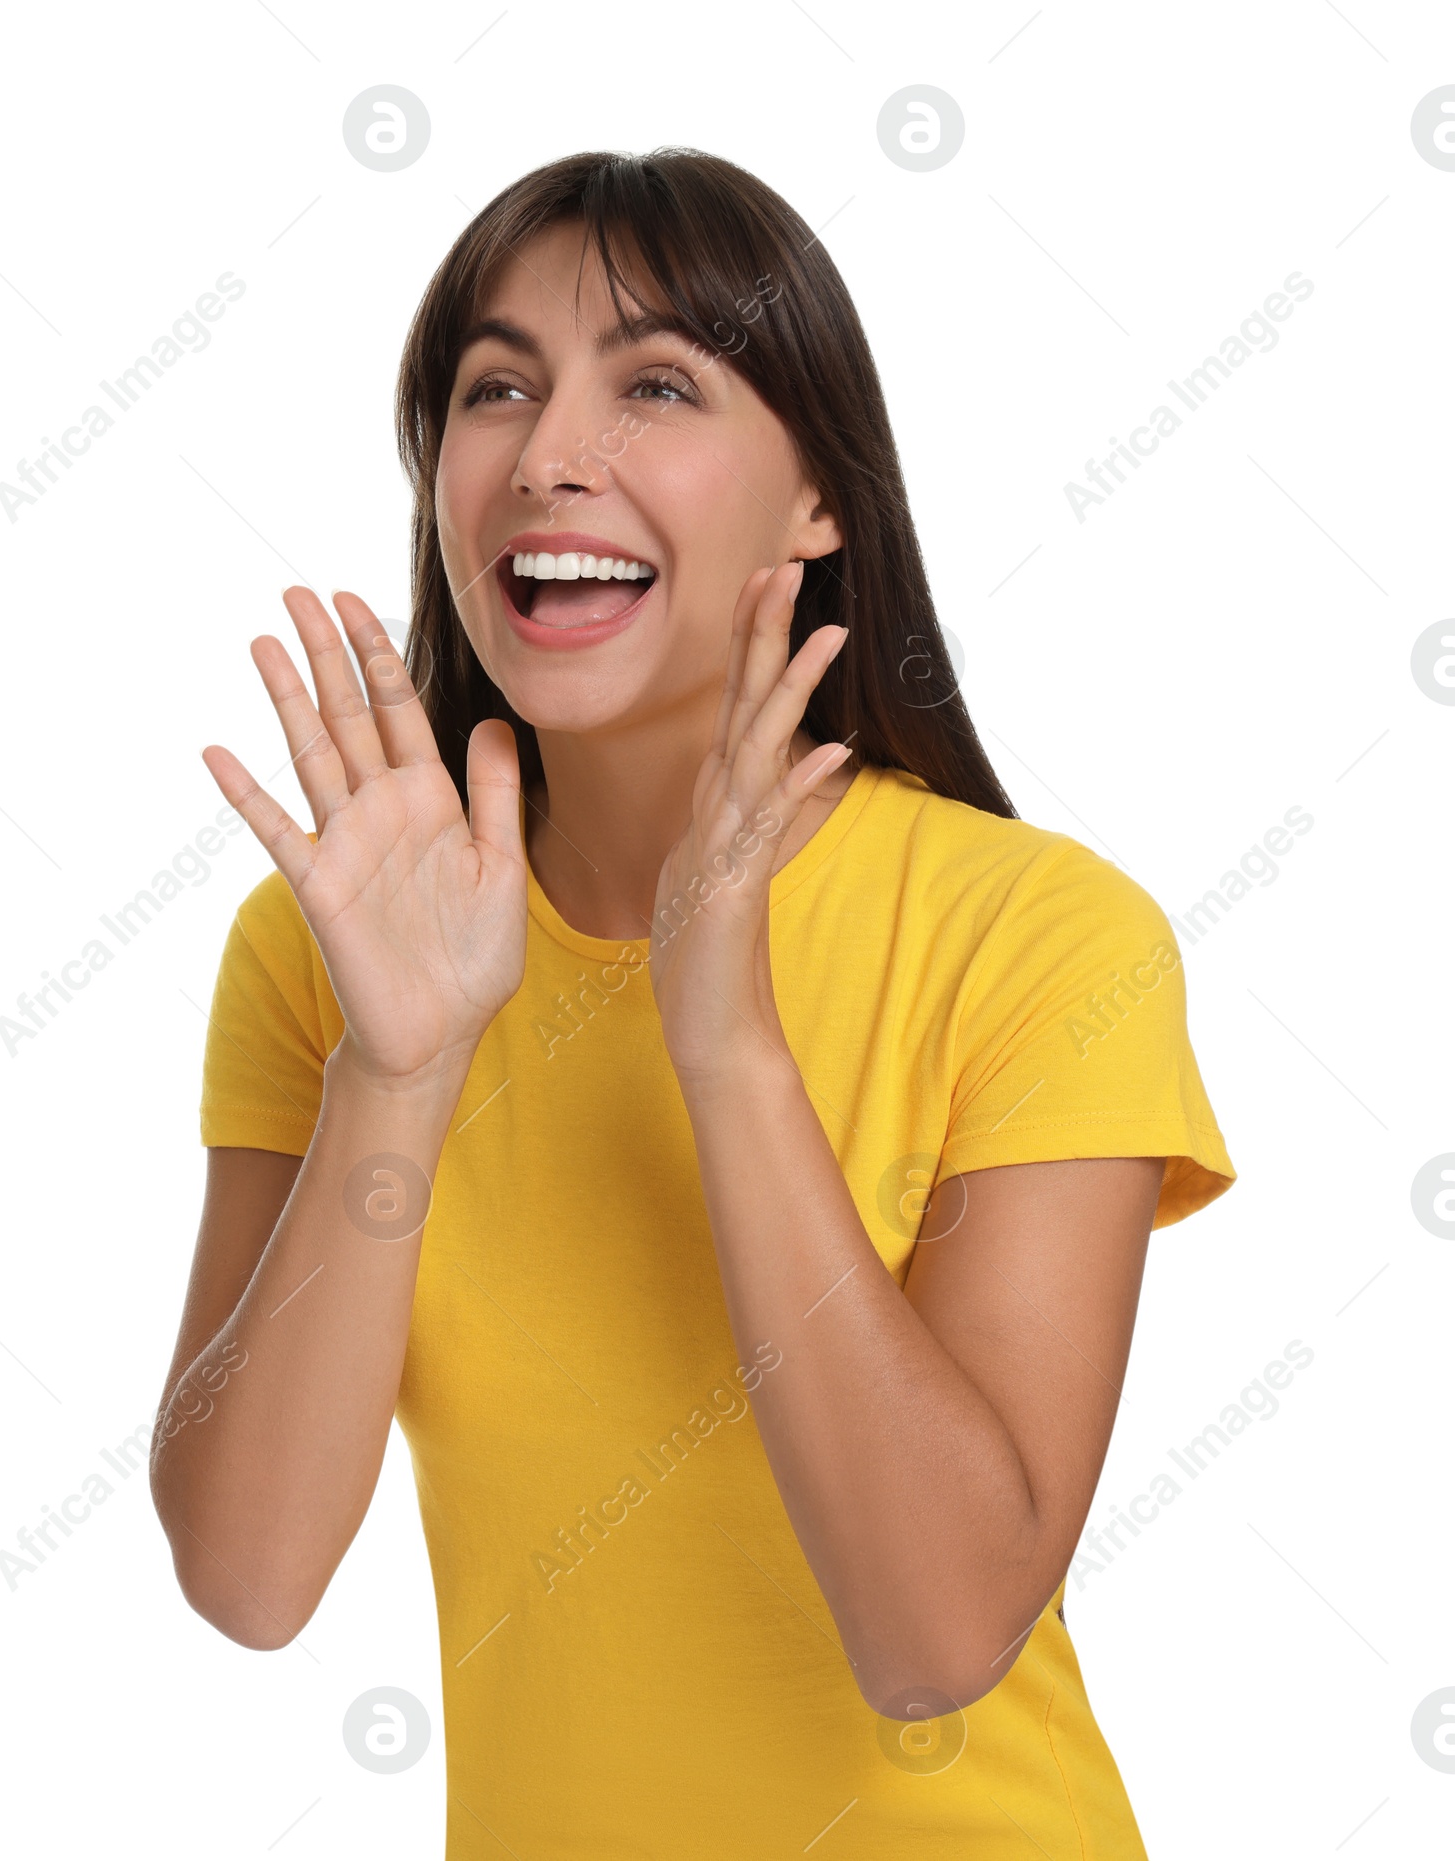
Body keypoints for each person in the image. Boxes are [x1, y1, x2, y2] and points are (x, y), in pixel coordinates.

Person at [150, 147, 1236, 1856]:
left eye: (657, 381)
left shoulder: (1038, 937)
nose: (549, 456)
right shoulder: (330, 957)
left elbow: (938, 1634)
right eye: (494, 388)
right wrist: (400, 1066)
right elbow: (249, 1572)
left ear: (820, 503)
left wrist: (723, 1044)